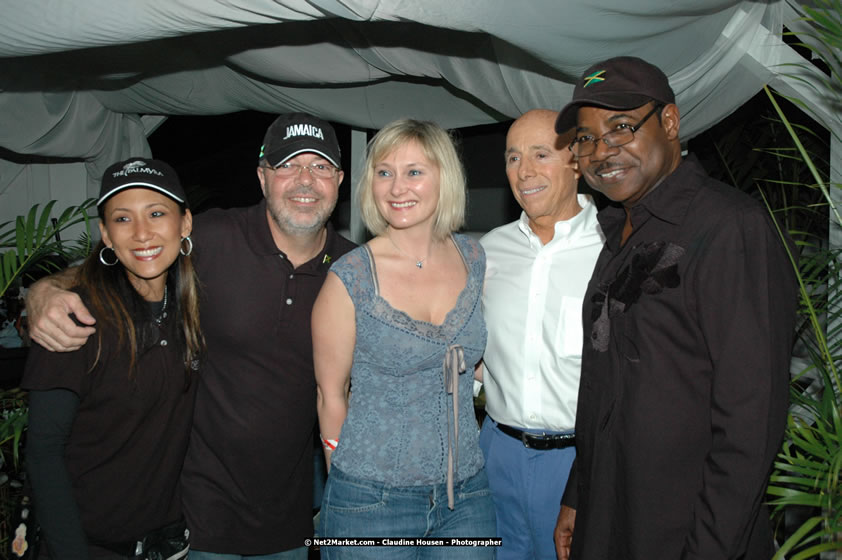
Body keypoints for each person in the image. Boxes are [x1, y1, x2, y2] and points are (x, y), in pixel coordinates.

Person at [26, 113, 357, 559]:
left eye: (318, 167)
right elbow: (137, 249)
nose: (304, 180)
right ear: (262, 178)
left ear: (338, 180)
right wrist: (45, 290)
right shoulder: (212, 237)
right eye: (287, 166)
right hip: (197, 520)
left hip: (289, 520)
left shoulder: (358, 271)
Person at [552, 56, 798, 559]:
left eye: (620, 127)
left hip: (687, 533)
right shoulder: (620, 231)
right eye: (585, 138)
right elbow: (603, 386)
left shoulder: (730, 227)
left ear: (669, 123)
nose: (601, 151)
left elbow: (750, 425)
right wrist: (580, 495)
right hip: (610, 517)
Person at [313, 119, 496, 558]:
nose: (397, 187)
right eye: (384, 172)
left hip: (467, 497)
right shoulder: (350, 278)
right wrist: (346, 483)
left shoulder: (474, 258)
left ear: (444, 178)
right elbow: (330, 396)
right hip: (371, 503)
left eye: (414, 171)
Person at [24, 158, 201, 559]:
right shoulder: (74, 319)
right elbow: (43, 453)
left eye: (157, 213)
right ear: (105, 233)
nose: (142, 233)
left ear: (185, 223)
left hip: (169, 545)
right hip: (90, 546)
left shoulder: (191, 308)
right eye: (123, 219)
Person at [477, 109, 603, 559]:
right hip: (495, 455)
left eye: (539, 154)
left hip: (580, 462)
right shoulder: (488, 251)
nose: (524, 171)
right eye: (513, 158)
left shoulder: (614, 250)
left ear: (575, 161)